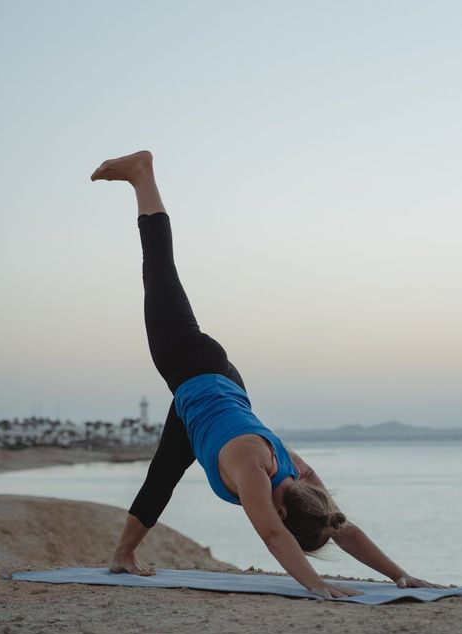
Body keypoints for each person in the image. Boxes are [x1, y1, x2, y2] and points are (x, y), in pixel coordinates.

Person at [90, 150, 443, 599]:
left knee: (163, 474)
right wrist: (317, 586)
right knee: (159, 272)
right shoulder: (256, 474)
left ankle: (123, 554)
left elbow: (340, 527)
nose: (276, 521)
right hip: (191, 364)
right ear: (281, 507)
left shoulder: (301, 478)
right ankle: (143, 175)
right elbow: (275, 538)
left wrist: (399, 575)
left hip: (220, 390)